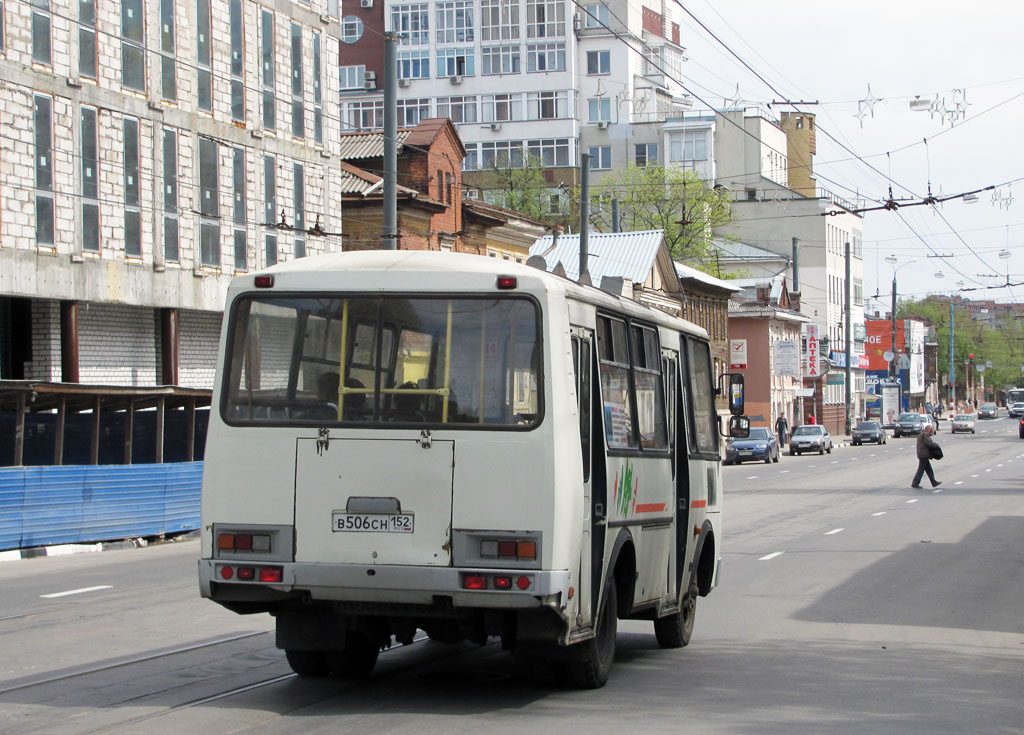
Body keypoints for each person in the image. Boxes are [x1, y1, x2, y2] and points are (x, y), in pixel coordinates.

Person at [911, 424, 942, 489]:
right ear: (928, 429)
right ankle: (915, 483)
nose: (931, 432)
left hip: (922, 454)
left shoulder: (921, 434)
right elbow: (929, 443)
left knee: (928, 470)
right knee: (921, 470)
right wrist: (937, 445)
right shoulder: (925, 435)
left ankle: (933, 482)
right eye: (931, 430)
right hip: (924, 455)